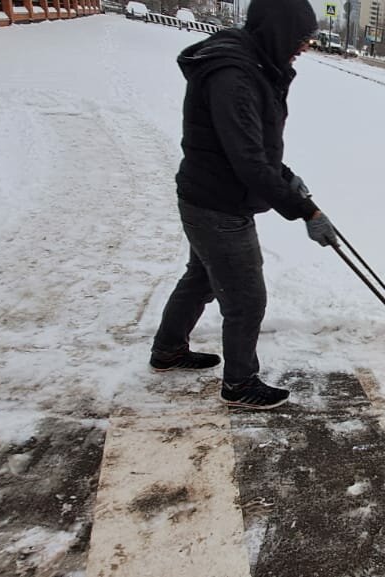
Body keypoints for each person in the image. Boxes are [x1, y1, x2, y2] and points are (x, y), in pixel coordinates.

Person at [149, 0, 337, 410]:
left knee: (200, 279)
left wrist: (286, 177)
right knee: (246, 298)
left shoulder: (249, 64)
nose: (305, 46)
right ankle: (239, 383)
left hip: (207, 195)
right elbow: (248, 160)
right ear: (279, 31)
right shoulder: (235, 75)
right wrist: (307, 211)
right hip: (219, 205)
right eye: (302, 37)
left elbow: (254, 145)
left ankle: (168, 351)